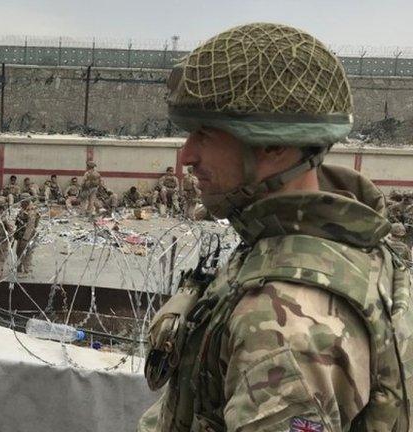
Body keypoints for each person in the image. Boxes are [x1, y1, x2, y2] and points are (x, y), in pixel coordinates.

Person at [139, 23, 413, 432]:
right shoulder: (337, 241)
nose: (187, 156)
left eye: (205, 134)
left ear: (272, 145)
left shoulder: (286, 324)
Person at [14, 193, 40, 277]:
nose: (20, 203)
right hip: (21, 234)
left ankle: (26, 271)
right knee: (19, 251)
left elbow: (30, 226)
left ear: (26, 202)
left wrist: (25, 239)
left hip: (28, 236)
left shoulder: (31, 211)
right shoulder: (23, 209)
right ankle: (19, 267)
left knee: (27, 252)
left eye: (22, 201)